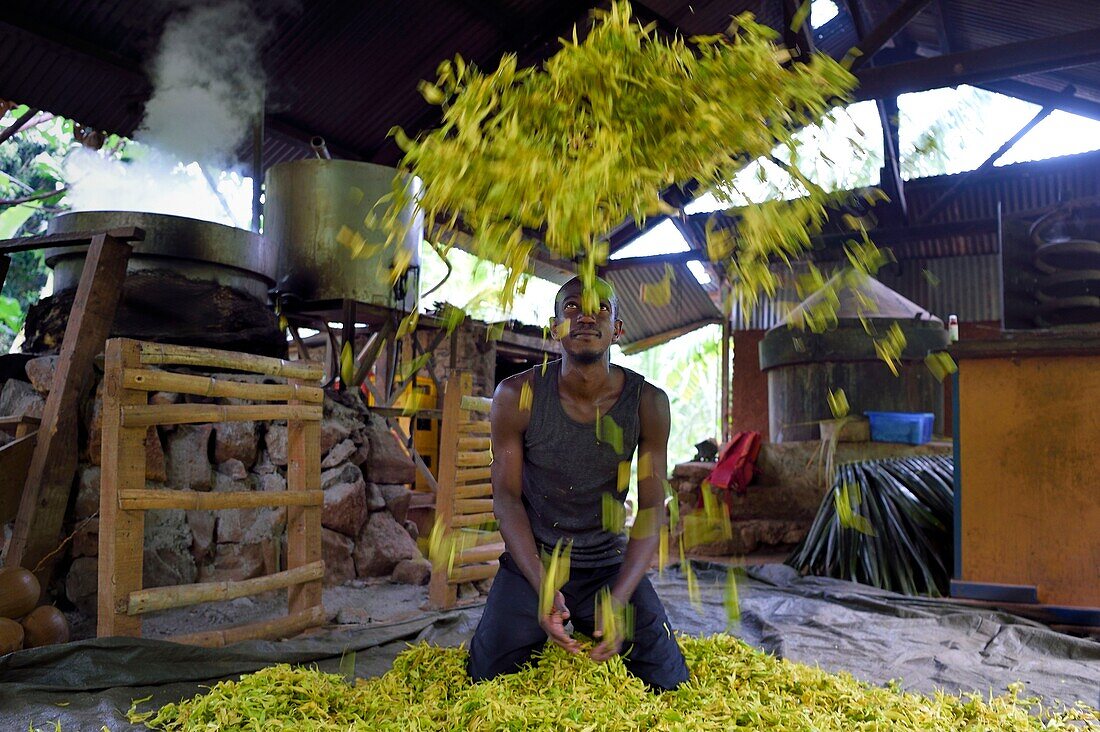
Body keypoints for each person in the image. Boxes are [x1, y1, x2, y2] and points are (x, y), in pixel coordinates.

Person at [467, 275, 689, 691]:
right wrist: (543, 585)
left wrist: (620, 596)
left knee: (669, 681)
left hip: (608, 564)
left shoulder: (648, 404)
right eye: (572, 307)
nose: (586, 316)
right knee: (486, 677)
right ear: (555, 327)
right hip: (534, 562)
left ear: (617, 330)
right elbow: (507, 500)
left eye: (601, 308)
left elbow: (652, 508)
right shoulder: (517, 396)